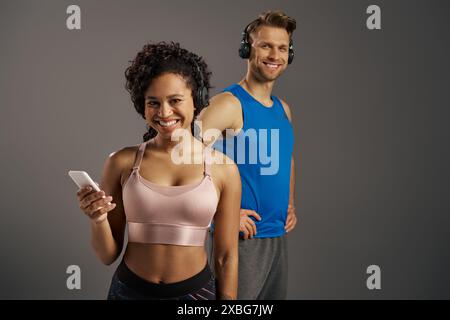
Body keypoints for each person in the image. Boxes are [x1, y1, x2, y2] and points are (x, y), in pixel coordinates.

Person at [75, 42, 241, 300]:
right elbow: (107, 255)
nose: (164, 112)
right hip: (129, 292)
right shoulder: (122, 162)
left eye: (175, 100)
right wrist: (97, 221)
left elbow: (226, 256)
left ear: (196, 100)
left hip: (195, 295)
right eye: (154, 102)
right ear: (143, 106)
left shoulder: (223, 169)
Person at [198, 10, 298, 299]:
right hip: (241, 239)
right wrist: (219, 213)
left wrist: (289, 203)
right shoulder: (228, 104)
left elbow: (286, 158)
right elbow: (181, 156)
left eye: (282, 48)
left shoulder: (283, 109)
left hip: (276, 237)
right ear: (247, 49)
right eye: (265, 45)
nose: (274, 54)